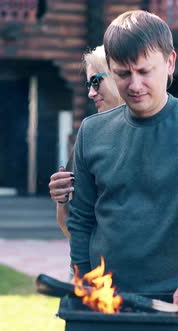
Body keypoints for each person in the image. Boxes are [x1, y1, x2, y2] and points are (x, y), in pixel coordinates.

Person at [66, 10, 178, 315]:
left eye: (144, 71)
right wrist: (83, 281)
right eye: (123, 74)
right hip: (105, 299)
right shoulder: (91, 132)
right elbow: (81, 219)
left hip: (177, 301)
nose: (135, 85)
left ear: (170, 62)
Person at [48, 46, 124, 238]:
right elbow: (71, 225)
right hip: (101, 263)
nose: (91, 93)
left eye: (96, 82)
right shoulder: (90, 135)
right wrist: (62, 200)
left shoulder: (160, 130)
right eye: (88, 84)